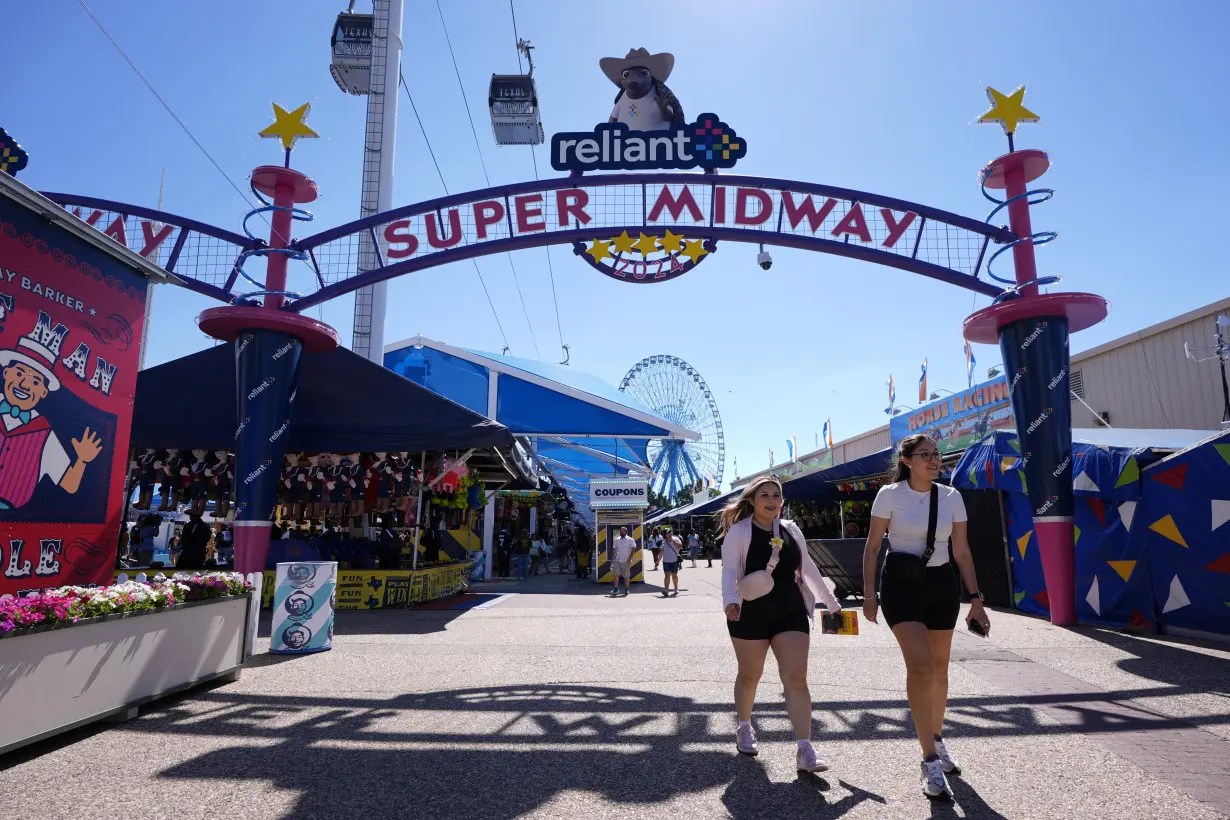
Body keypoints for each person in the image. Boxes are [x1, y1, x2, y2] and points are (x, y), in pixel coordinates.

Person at [862, 434, 990, 800]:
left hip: (940, 584)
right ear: (906, 461)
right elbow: (872, 548)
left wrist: (976, 599)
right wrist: (869, 596)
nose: (934, 461)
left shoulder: (952, 497)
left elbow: (962, 552)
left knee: (939, 669)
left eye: (936, 455)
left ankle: (937, 736)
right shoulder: (889, 495)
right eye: (925, 455)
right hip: (901, 585)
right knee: (920, 668)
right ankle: (929, 760)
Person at [721, 477, 841, 774]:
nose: (772, 500)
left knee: (796, 677)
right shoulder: (739, 531)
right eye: (765, 495)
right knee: (750, 675)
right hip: (749, 612)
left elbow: (807, 567)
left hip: (790, 611)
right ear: (752, 500)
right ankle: (745, 727)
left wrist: (830, 601)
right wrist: (729, 600)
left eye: (777, 495)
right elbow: (730, 569)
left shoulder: (791, 529)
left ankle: (805, 748)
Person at [609, 526, 636, 596]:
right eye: (620, 531)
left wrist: (630, 558)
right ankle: (616, 589)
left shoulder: (630, 539)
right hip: (617, 560)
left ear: (626, 532)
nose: (621, 532)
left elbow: (633, 549)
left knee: (626, 576)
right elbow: (614, 549)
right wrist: (612, 559)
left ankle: (627, 589)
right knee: (615, 575)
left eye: (623, 531)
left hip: (626, 561)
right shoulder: (617, 540)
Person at [660, 527, 682, 596]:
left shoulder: (676, 539)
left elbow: (680, 547)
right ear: (665, 535)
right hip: (666, 561)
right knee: (667, 576)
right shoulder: (664, 542)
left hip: (674, 561)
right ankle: (666, 589)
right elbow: (662, 552)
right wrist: (658, 561)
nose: (669, 534)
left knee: (674, 576)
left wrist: (673, 542)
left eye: (670, 532)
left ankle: (676, 588)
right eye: (668, 533)